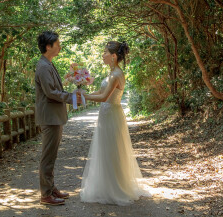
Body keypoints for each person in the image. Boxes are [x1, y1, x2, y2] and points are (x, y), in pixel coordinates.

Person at [80, 41, 150, 205]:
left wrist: (84, 97)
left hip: (111, 114)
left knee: (112, 150)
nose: (102, 55)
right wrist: (85, 93)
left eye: (105, 52)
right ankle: (105, 186)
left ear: (113, 56)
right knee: (105, 149)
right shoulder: (112, 73)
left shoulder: (117, 74)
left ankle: (114, 188)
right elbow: (100, 92)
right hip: (106, 114)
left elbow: (104, 97)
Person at [34, 31, 83, 206]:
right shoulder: (43, 66)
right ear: (48, 46)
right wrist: (71, 97)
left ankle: (51, 187)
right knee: (48, 156)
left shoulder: (48, 64)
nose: (60, 46)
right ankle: (45, 195)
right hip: (49, 117)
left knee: (52, 155)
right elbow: (51, 93)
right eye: (57, 44)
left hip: (53, 116)